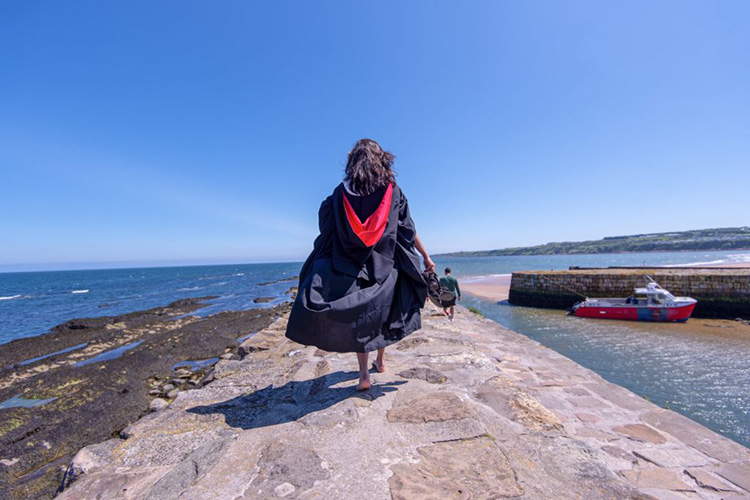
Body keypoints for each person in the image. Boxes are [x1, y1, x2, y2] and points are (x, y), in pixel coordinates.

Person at [285, 139, 434, 391]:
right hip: (385, 265)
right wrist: (426, 257)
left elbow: (326, 225)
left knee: (361, 318)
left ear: (353, 161)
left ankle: (364, 374)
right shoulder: (392, 190)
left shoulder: (339, 193)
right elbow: (408, 229)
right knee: (382, 312)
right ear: (381, 159)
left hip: (349, 266)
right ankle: (381, 361)